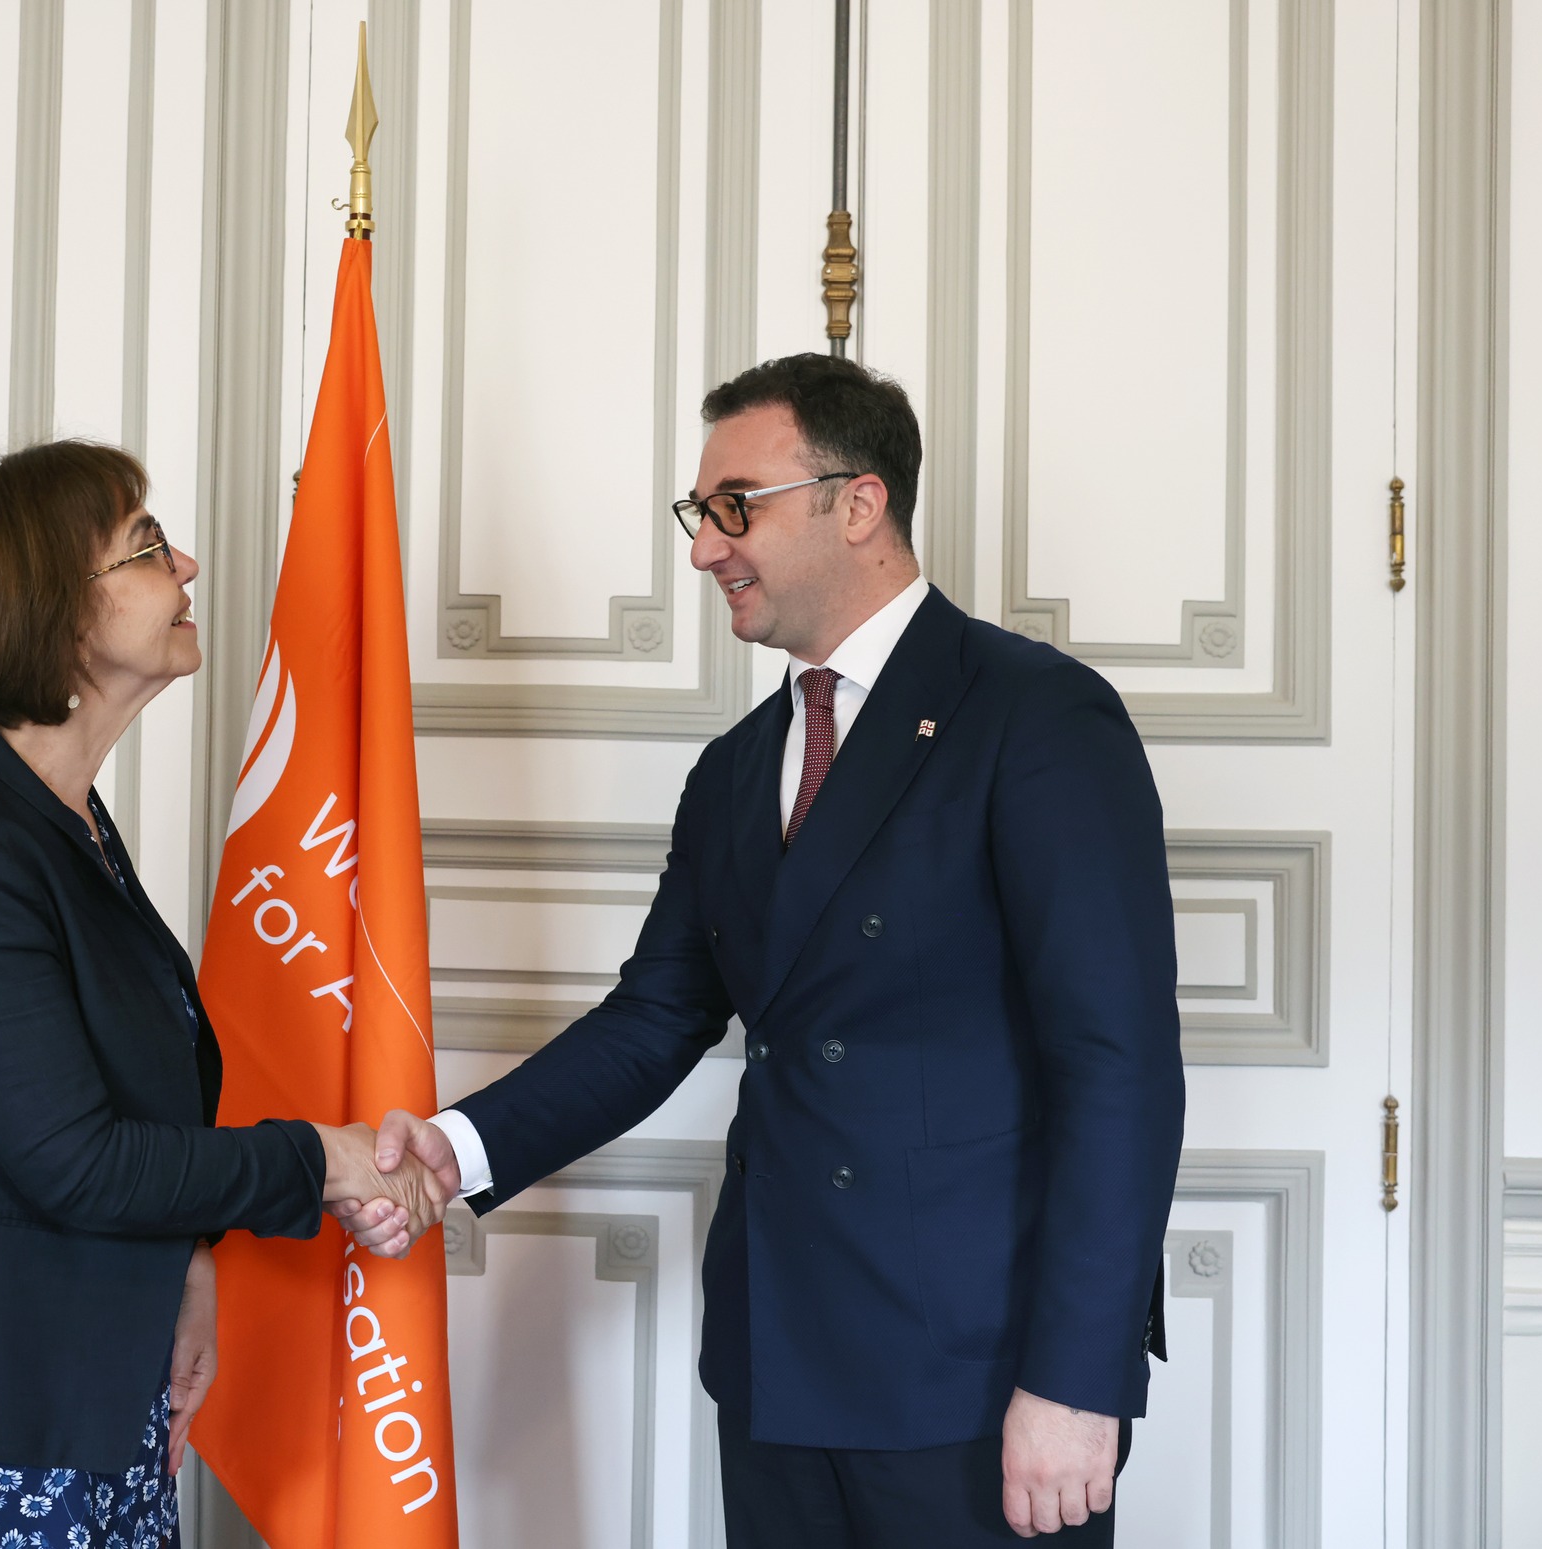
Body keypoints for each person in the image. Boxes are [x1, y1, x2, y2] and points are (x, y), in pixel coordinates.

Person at [350, 355, 1185, 1544]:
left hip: (979, 1374)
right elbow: (652, 1018)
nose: (703, 549)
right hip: (778, 1359)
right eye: (699, 513)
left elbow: (1117, 1068)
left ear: (858, 503)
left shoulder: (1034, 714)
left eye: (734, 507)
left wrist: (1077, 1377)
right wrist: (453, 1148)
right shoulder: (735, 767)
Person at [0, 441, 444, 1549]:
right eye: (146, 547)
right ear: (56, 609)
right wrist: (323, 1160)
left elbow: (131, 1104)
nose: (186, 564)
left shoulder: (68, 823)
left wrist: (190, 1263)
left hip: (84, 1400)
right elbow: (75, 1160)